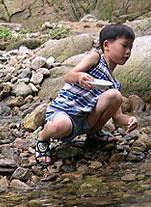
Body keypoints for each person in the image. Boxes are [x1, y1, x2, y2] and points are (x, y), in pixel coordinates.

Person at [35, 23, 138, 166]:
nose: (128, 52)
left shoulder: (113, 84)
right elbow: (68, 76)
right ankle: (42, 138)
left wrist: (130, 120)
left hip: (85, 121)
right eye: (124, 46)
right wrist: (79, 77)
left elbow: (117, 117)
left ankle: (93, 135)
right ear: (106, 45)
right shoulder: (95, 59)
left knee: (115, 95)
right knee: (60, 126)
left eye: (130, 48)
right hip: (64, 111)